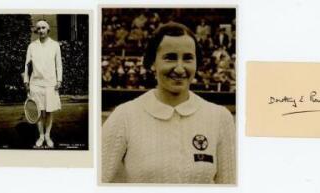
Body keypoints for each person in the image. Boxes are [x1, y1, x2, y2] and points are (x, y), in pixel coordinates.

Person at [101, 22, 236, 184]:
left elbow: (229, 183)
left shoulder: (220, 118)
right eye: (170, 58)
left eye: (187, 58)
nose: (180, 68)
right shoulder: (124, 117)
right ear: (152, 63)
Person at [23, 20, 63, 148]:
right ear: (36, 31)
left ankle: (47, 136)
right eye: (39, 28)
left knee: (49, 111)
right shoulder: (32, 46)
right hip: (35, 83)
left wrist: (59, 80)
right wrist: (26, 81)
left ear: (48, 30)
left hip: (51, 83)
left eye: (43, 28)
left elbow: (59, 65)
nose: (41, 30)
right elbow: (27, 65)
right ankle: (41, 136)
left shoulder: (55, 45)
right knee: (39, 112)